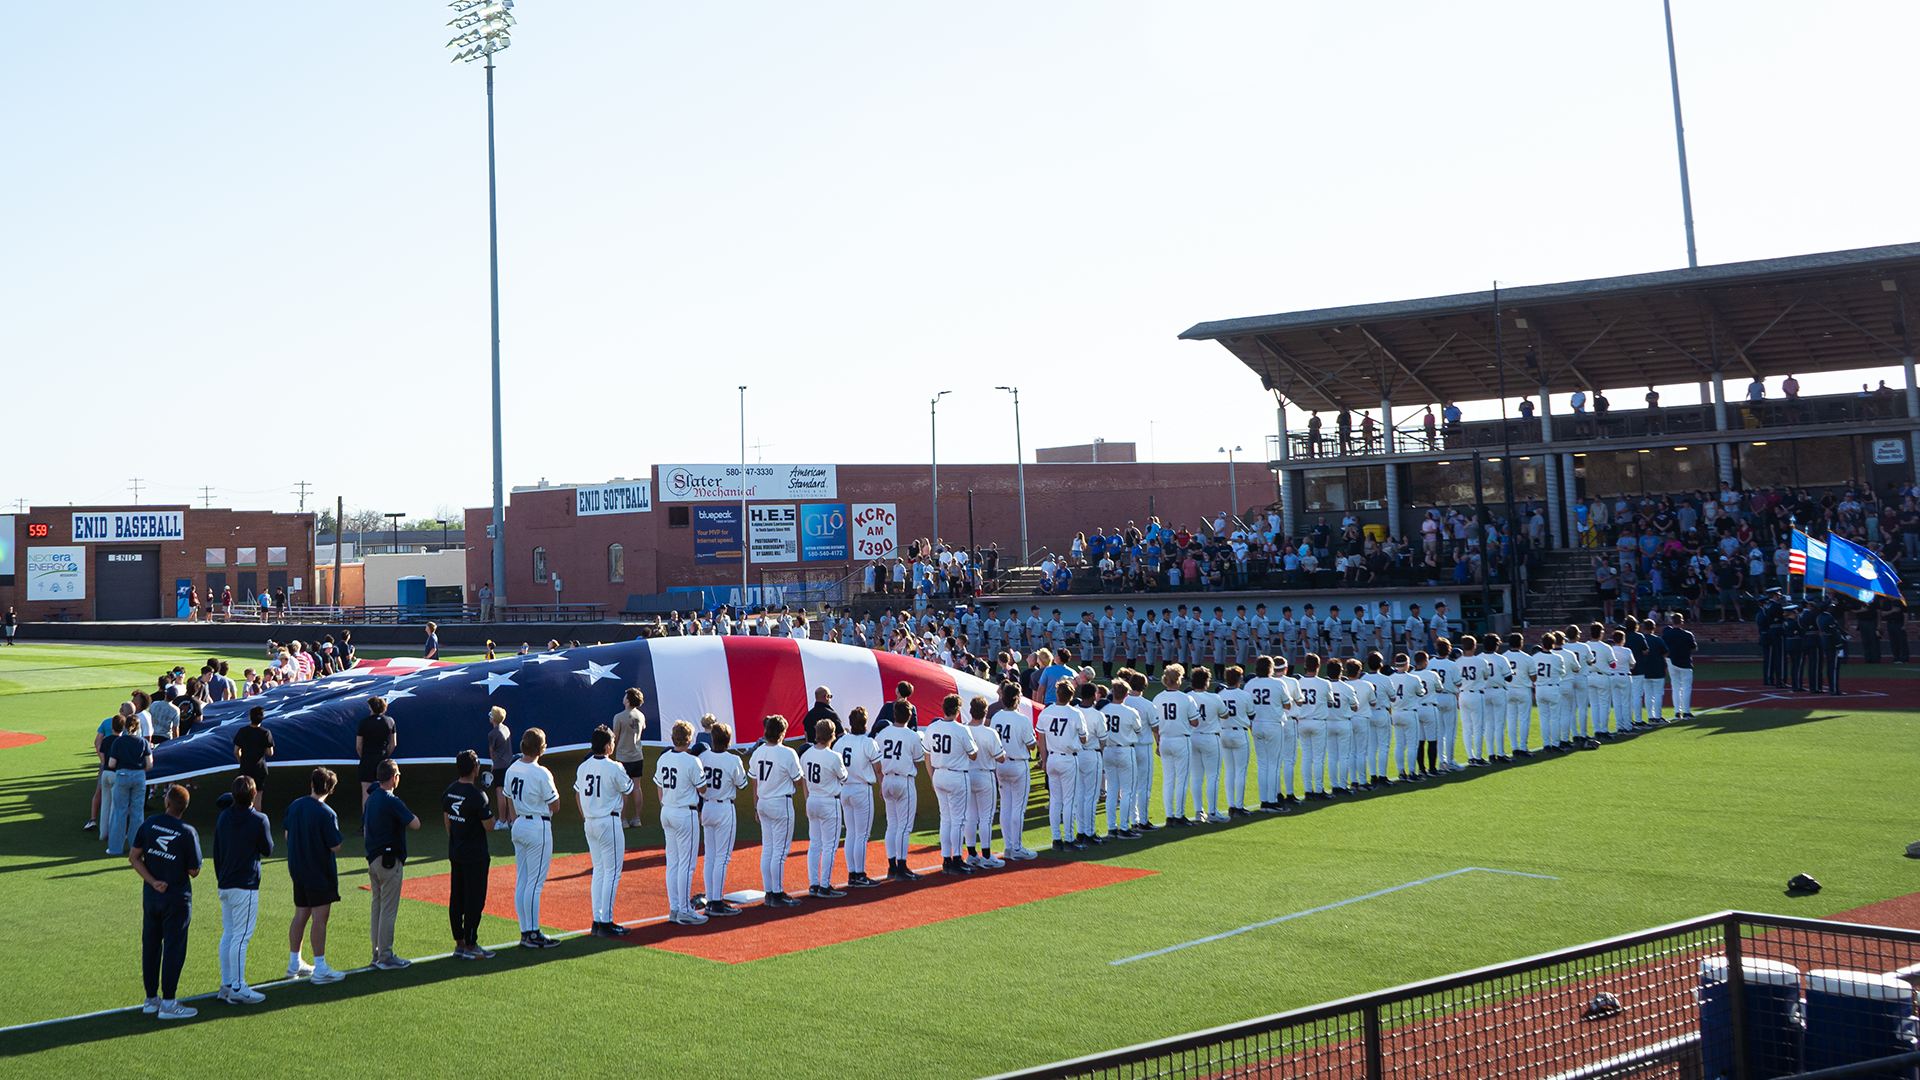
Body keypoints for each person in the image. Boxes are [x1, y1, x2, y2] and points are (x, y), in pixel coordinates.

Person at [130, 784, 202, 1019]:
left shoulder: (149, 823)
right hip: (177, 899)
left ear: (167, 803)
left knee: (151, 946)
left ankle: (151, 999)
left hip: (151, 897)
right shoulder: (188, 831)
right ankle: (169, 1003)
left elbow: (134, 857)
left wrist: (152, 881)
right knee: (173, 948)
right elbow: (194, 870)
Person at [284, 767, 347, 985]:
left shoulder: (294, 806)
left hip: (298, 870)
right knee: (320, 919)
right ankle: (320, 968)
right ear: (330, 789)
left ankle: (295, 962)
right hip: (319, 872)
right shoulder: (326, 813)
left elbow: (286, 834)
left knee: (301, 914)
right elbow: (335, 845)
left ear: (312, 784)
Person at [214, 776, 271, 1004]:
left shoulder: (223, 817)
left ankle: (227, 984)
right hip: (245, 885)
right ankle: (237, 987)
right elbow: (267, 849)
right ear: (254, 795)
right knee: (241, 936)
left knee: (229, 934)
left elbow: (217, 850)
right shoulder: (259, 819)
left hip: (226, 882)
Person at [503, 727, 561, 947]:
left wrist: (515, 819)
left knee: (523, 880)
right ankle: (533, 932)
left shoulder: (513, 768)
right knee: (535, 883)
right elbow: (555, 806)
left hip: (519, 824)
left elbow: (508, 798)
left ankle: (525, 931)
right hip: (538, 825)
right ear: (541, 747)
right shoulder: (541, 772)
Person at [575, 725, 633, 937]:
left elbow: (578, 794)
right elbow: (628, 788)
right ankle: (605, 922)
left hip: (590, 821)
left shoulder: (583, 767)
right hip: (608, 822)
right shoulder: (614, 767)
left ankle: (598, 920)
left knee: (599, 870)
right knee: (612, 872)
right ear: (608, 746)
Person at [362, 759, 421, 970]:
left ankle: (377, 953)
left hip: (373, 858)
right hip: (388, 861)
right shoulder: (390, 800)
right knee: (387, 910)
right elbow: (415, 823)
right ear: (394, 778)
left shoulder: (371, 798)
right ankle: (386, 955)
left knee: (377, 908)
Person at [442, 750, 496, 959]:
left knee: (457, 898)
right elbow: (490, 826)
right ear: (475, 769)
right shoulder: (477, 796)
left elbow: (447, 822)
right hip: (475, 856)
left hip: (456, 852)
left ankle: (460, 943)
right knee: (474, 900)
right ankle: (471, 945)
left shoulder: (449, 791)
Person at [749, 716, 804, 906]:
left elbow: (754, 782)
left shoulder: (758, 752)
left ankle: (769, 893)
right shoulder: (787, 753)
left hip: (763, 802)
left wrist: (756, 806)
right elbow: (797, 779)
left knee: (768, 849)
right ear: (782, 732)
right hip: (780, 803)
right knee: (779, 852)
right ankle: (777, 894)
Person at [657, 720, 708, 922]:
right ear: (688, 740)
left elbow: (659, 785)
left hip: (667, 810)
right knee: (686, 864)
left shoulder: (663, 758)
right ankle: (685, 910)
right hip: (685, 813)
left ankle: (675, 908)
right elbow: (702, 788)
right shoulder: (691, 761)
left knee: (673, 863)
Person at [923, 694, 980, 875]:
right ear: (957, 710)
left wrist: (932, 777)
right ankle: (956, 860)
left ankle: (946, 859)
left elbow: (927, 755)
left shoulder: (932, 727)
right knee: (958, 821)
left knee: (945, 819)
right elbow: (973, 754)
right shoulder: (961, 729)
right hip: (956, 775)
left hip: (939, 773)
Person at [697, 721, 748, 915]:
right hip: (724, 807)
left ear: (712, 738)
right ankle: (716, 902)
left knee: (710, 855)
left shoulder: (702, 756)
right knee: (722, 857)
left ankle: (711, 899)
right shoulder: (733, 760)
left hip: (707, 806)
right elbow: (741, 783)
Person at [797, 719, 850, 897]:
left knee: (815, 844)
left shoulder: (806, 755)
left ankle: (814, 884)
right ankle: (825, 886)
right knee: (829, 846)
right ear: (832, 736)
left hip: (812, 799)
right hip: (829, 802)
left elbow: (804, 780)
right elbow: (844, 777)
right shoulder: (834, 756)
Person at [875, 706, 926, 881]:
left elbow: (877, 760)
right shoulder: (912, 736)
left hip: (887, 778)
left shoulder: (882, 734)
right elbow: (919, 761)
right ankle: (902, 868)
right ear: (910, 716)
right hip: (904, 779)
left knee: (892, 825)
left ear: (894, 714)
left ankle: (892, 867)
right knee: (904, 827)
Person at [836, 707, 884, 885]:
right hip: (861, 789)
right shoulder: (868, 742)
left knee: (851, 833)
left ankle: (852, 873)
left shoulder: (841, 741)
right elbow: (878, 768)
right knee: (862, 835)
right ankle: (860, 874)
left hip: (845, 788)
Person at [103, 713, 152, 856]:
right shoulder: (143, 742)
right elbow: (150, 764)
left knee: (119, 811)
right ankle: (136, 847)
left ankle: (115, 848)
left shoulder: (118, 742)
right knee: (137, 813)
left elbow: (111, 763)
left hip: (122, 775)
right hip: (138, 776)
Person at [1097, 682, 1141, 840]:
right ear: (1126, 695)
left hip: (1108, 750)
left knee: (1112, 791)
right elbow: (1138, 729)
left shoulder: (1104, 710)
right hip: (1124, 750)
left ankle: (1111, 827)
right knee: (1127, 791)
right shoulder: (1131, 711)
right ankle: (1124, 827)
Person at [610, 689, 647, 828]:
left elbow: (616, 736)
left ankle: (623, 819)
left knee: (623, 789)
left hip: (623, 757)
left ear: (628, 700)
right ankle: (637, 818)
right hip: (637, 755)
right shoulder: (641, 715)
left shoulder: (619, 717)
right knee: (637, 787)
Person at [355, 696, 396, 811]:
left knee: (366, 792)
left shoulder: (363, 723)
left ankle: (366, 823)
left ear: (371, 708)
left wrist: (364, 757)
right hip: (382, 757)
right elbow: (393, 743)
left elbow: (358, 745)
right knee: (386, 791)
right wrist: (385, 755)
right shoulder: (390, 721)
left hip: (368, 758)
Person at [231, 706, 273, 812]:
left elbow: (236, 750)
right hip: (259, 768)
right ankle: (257, 818)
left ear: (250, 717)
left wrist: (240, 760)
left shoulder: (243, 731)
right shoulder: (265, 733)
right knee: (257, 796)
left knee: (242, 794)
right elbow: (270, 752)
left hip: (245, 767)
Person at [486, 706, 514, 830]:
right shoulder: (506, 729)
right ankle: (510, 819)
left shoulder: (493, 734)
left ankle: (502, 821)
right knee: (509, 793)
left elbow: (492, 752)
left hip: (500, 766)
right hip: (509, 764)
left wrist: (494, 763)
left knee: (501, 793)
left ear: (494, 719)